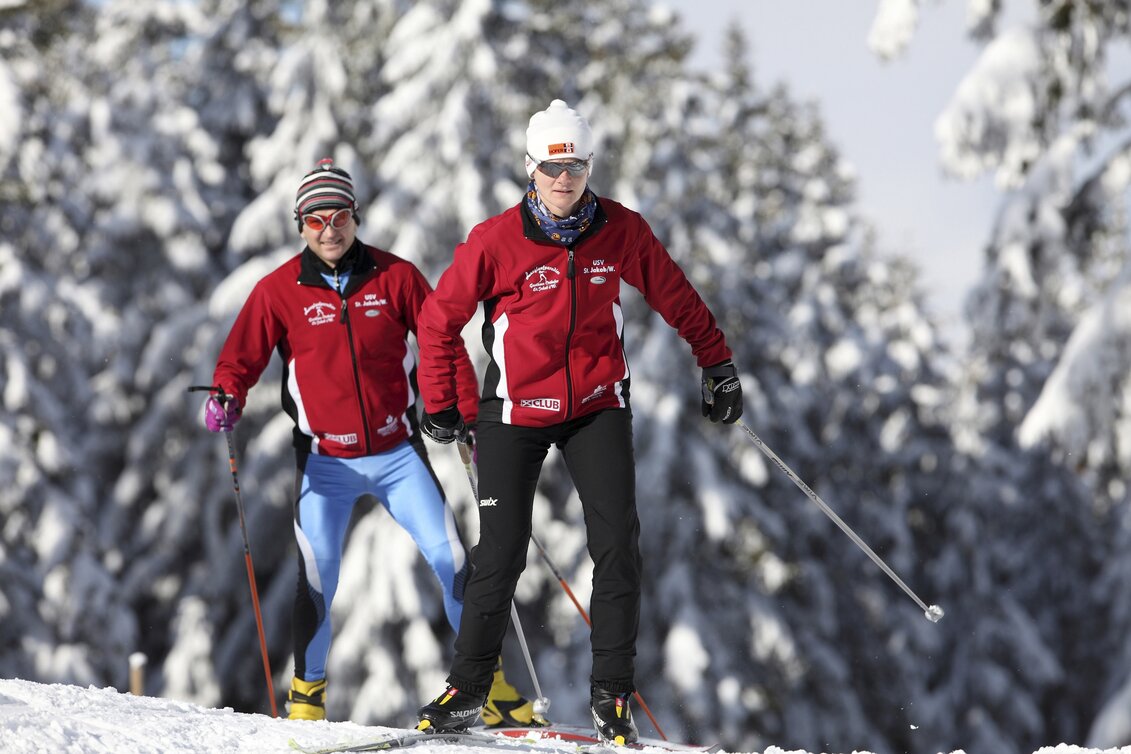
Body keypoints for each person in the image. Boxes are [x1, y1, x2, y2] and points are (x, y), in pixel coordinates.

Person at [413, 100, 744, 744]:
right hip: (514, 410)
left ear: (589, 167)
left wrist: (717, 362)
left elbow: (676, 295)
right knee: (501, 550)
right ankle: (467, 689)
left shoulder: (619, 230)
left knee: (617, 544)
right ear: (531, 169)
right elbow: (437, 321)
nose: (564, 182)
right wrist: (440, 400)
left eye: (576, 168)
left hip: (597, 406)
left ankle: (611, 694)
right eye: (551, 168)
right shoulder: (495, 241)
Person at [204, 158, 540, 726]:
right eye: (316, 220)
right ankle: (306, 704)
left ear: (356, 218)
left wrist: (463, 413)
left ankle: (493, 688)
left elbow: (443, 342)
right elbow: (241, 355)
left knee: (456, 562)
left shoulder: (396, 277)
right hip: (325, 462)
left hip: (396, 453)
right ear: (300, 225)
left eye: (339, 217)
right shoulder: (278, 291)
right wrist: (226, 395)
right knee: (319, 574)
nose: (329, 229)